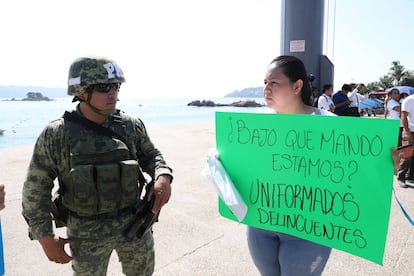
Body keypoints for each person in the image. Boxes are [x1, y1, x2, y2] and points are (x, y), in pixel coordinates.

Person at [22, 56, 173, 275]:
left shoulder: (130, 126)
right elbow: (35, 190)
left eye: (115, 86)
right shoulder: (57, 134)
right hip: (86, 231)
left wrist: (163, 176)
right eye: (103, 87)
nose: (113, 93)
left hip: (134, 222)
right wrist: (44, 236)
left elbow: (151, 155)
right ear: (81, 92)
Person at [247, 55, 335, 276]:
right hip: (261, 225)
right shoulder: (255, 124)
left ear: (297, 86)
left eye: (274, 83)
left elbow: (356, 171)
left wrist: (385, 163)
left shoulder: (329, 123)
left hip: (309, 230)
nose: (266, 89)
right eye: (265, 83)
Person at [398, 92, 414, 188]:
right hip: (410, 130)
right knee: (406, 156)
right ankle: (401, 177)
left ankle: (411, 177)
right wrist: (407, 132)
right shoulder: (409, 100)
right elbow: (404, 116)